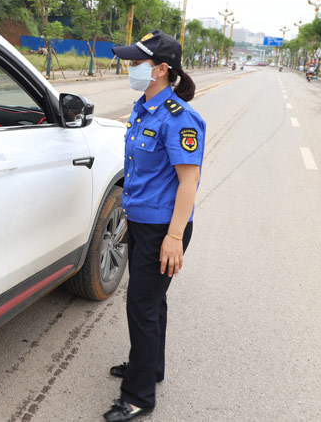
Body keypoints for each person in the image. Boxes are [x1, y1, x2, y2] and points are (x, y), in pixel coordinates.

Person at [102, 30, 206, 421]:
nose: (130, 69)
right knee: (152, 302)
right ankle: (150, 367)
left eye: (136, 63)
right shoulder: (144, 108)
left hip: (165, 228)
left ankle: (138, 396)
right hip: (144, 223)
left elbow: (188, 182)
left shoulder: (180, 119)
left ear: (161, 70)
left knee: (141, 306)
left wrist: (174, 237)